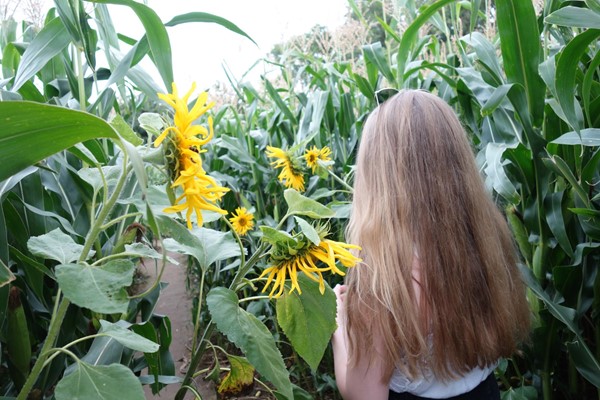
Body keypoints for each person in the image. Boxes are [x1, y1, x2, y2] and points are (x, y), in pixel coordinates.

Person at [332, 90, 531, 400]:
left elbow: (364, 395)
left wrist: (340, 327)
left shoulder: (384, 278)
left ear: (377, 176)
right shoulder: (485, 239)